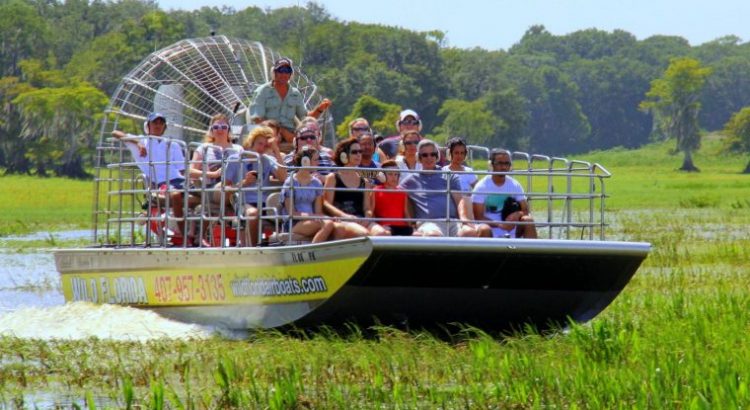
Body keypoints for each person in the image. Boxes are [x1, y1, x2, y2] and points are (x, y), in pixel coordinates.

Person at [112, 112, 191, 244]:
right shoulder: (142, 141)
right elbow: (115, 133)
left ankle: (198, 235)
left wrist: (210, 174)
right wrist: (138, 143)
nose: (158, 125)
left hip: (179, 181)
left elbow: (183, 170)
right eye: (155, 122)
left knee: (203, 194)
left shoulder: (173, 144)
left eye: (161, 123)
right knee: (176, 195)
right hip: (160, 184)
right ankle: (185, 238)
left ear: (165, 126)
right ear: (148, 125)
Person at [399, 139, 481, 237]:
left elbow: (459, 201)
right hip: (428, 224)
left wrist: (464, 219)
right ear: (419, 158)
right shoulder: (410, 181)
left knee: (469, 233)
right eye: (425, 155)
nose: (429, 158)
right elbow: (393, 192)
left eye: (433, 154)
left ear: (437, 156)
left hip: (452, 221)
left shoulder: (450, 176)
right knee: (434, 234)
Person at [224, 126, 287, 246]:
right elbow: (225, 189)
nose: (262, 148)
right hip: (242, 201)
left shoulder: (268, 160)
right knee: (253, 214)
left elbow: (283, 178)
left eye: (265, 145)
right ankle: (254, 248)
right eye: (260, 143)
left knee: (288, 210)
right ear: (251, 142)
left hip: (264, 203)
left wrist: (276, 149)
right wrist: (244, 182)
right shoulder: (234, 160)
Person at [248, 57, 331, 145]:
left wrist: (320, 108)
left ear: (291, 74)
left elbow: (305, 118)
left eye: (287, 70)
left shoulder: (295, 93)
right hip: (267, 137)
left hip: (291, 138)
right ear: (274, 73)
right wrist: (281, 131)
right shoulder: (262, 92)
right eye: (281, 70)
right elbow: (258, 120)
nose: (284, 74)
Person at [323, 137, 388, 237]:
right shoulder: (333, 178)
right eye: (354, 152)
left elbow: (367, 207)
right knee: (363, 233)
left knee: (382, 233)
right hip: (342, 220)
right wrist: (344, 216)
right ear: (344, 155)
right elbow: (326, 203)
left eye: (360, 151)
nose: (358, 155)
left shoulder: (364, 181)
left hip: (361, 219)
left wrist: (367, 217)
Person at [472, 149, 538, 239]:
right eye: (499, 163)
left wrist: (517, 214)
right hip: (489, 227)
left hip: (511, 226)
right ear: (491, 165)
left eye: (507, 163)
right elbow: (478, 217)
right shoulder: (481, 186)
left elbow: (526, 210)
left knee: (528, 220)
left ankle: (531, 252)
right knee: (484, 229)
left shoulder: (515, 185)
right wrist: (500, 224)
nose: (503, 167)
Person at [280, 146, 336, 243]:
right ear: (305, 161)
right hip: (294, 223)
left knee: (333, 224)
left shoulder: (316, 183)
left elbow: (318, 211)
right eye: (315, 160)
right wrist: (313, 216)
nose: (318, 163)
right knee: (327, 224)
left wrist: (322, 217)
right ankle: (314, 251)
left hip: (312, 220)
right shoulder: (290, 183)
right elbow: (291, 213)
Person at [188, 114, 244, 205]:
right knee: (225, 188)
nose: (220, 130)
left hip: (235, 186)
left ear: (229, 130)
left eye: (224, 127)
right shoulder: (203, 148)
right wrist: (213, 174)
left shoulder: (238, 149)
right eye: (216, 127)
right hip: (212, 188)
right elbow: (190, 171)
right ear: (211, 130)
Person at [371, 160, 413, 236]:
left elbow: (406, 213)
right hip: (385, 227)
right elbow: (372, 212)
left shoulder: (402, 191)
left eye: (396, 174)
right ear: (383, 175)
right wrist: (376, 226)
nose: (393, 177)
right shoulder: (376, 190)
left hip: (403, 226)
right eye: (390, 174)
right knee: (386, 234)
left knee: (418, 235)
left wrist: (412, 227)